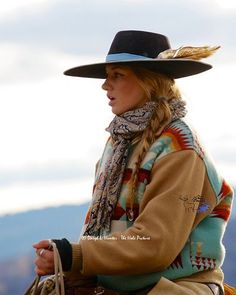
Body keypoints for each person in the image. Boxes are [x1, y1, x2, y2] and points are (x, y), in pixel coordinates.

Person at [33, 30, 234, 294]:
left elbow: (155, 245)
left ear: (148, 81)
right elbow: (101, 231)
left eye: (117, 75)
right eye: (107, 76)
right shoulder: (118, 143)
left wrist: (75, 255)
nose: (106, 85)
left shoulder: (180, 148)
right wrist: (72, 263)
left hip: (174, 288)